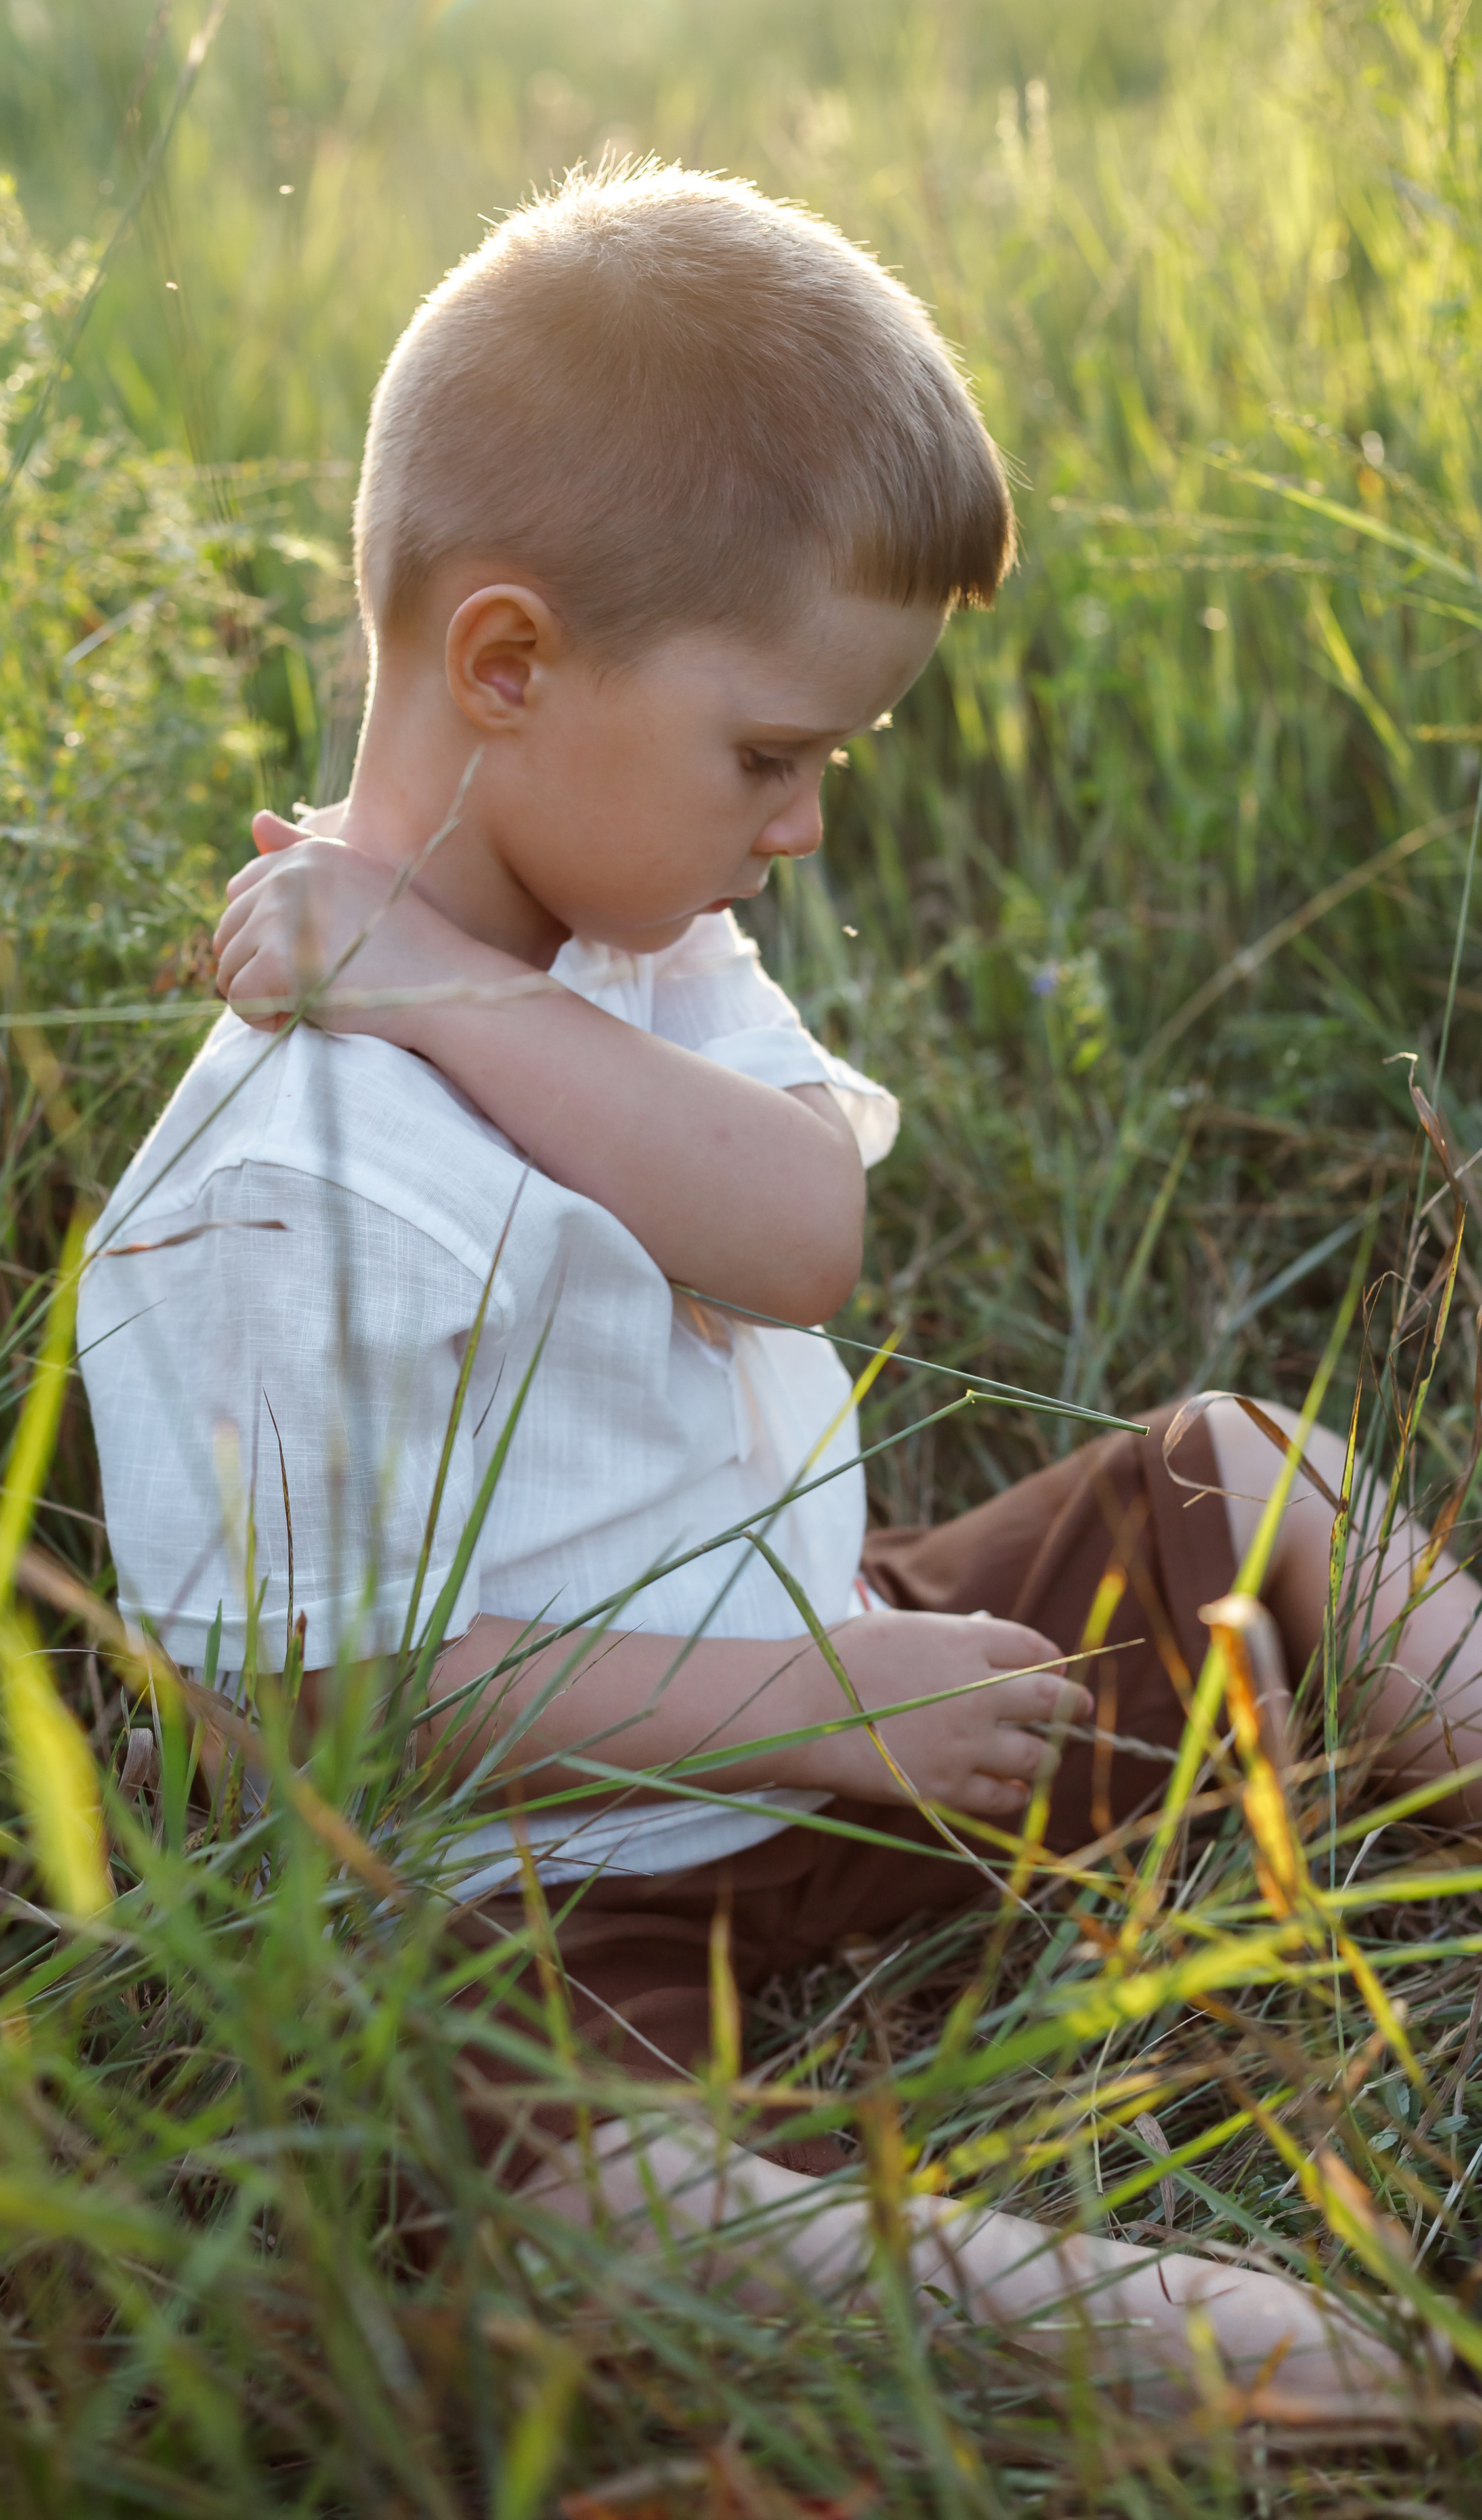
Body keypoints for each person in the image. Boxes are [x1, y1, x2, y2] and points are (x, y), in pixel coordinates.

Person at [79, 163, 1471, 2413]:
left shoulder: (638, 947)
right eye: (772, 754)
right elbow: (313, 1717)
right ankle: (1289, 2360)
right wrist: (820, 1705)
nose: (801, 826)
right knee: (568, 2195)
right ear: (511, 661)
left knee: (1241, 1467)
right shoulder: (272, 1177)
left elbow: (795, 1229)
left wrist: (439, 976)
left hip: (853, 1680)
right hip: (541, 1905)